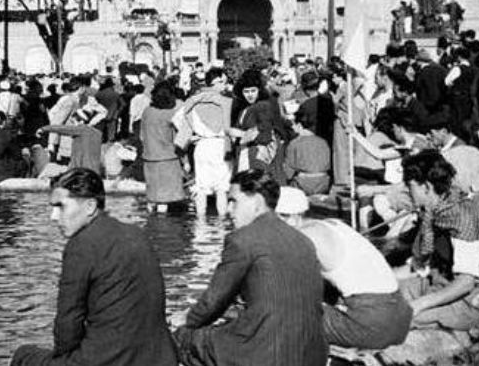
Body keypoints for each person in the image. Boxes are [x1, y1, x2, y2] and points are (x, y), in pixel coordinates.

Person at [11, 168, 177, 366]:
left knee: (24, 355)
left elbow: (68, 326)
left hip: (108, 359)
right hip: (160, 358)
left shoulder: (81, 245)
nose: (53, 217)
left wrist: (65, 358)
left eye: (60, 207)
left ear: (90, 206)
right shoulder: (137, 234)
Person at [173, 170, 327, 366]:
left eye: (234, 201)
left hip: (263, 352)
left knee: (182, 338)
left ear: (256, 202)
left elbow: (214, 302)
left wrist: (185, 320)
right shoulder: (303, 240)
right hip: (311, 352)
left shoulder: (242, 240)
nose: (229, 209)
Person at [275, 186, 412, 349]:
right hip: (398, 313)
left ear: (290, 218)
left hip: (373, 321)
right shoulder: (331, 224)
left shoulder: (305, 237)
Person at [400, 150, 479, 330]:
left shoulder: (462, 217)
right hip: (441, 279)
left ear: (426, 187)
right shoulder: (437, 209)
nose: (407, 191)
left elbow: (466, 282)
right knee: (383, 299)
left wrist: (419, 304)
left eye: (410, 186)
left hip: (471, 295)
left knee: (399, 320)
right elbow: (422, 264)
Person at [173, 68, 233, 217]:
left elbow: (176, 119)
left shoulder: (193, 101)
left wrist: (192, 135)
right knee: (222, 189)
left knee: (201, 188)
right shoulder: (227, 102)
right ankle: (221, 225)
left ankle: (200, 227)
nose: (224, 86)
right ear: (214, 82)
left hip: (202, 145)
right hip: (221, 145)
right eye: (222, 82)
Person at [141, 82, 186, 213]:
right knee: (164, 202)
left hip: (149, 158)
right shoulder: (172, 114)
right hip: (168, 160)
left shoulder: (147, 112)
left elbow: (141, 136)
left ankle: (152, 225)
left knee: (152, 198)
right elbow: (182, 136)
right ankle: (163, 228)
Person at [284, 110, 331, 195]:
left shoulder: (294, 143)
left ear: (299, 125)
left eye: (293, 124)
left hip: (304, 184)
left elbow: (288, 171)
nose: (292, 127)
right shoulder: (323, 141)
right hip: (324, 183)